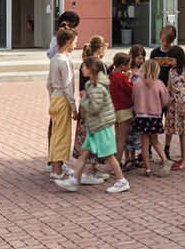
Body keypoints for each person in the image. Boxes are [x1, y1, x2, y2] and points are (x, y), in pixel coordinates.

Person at [56, 57, 131, 194]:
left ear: (91, 69)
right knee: (84, 154)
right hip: (94, 126)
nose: (82, 69)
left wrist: (84, 100)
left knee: (109, 155)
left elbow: (95, 107)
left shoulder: (96, 86)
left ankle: (122, 181)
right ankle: (74, 180)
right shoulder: (92, 84)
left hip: (101, 126)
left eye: (84, 66)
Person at [47, 27, 78, 181]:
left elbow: (49, 84)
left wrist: (52, 98)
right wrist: (74, 107)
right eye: (74, 42)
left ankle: (55, 167)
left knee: (56, 134)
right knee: (62, 135)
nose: (75, 45)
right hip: (63, 99)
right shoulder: (64, 61)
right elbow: (67, 86)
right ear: (68, 42)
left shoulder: (54, 59)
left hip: (55, 98)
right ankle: (57, 169)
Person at [132, 53, 170, 175]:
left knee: (144, 143)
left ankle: (147, 168)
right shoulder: (159, 83)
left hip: (141, 116)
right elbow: (165, 101)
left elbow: (133, 98)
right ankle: (165, 160)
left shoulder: (137, 83)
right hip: (155, 116)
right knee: (155, 140)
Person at [163, 44, 185, 170]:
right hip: (174, 105)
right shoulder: (171, 71)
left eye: (171, 60)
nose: (169, 62)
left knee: (184, 133)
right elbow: (168, 88)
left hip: (183, 105)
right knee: (178, 132)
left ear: (178, 58)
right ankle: (183, 158)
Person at [108, 52, 135, 161]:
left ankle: (115, 160)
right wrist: (129, 79)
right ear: (123, 65)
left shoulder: (112, 75)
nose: (130, 66)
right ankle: (117, 162)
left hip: (114, 109)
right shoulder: (121, 77)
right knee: (122, 139)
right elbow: (131, 90)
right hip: (124, 109)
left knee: (117, 136)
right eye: (128, 64)